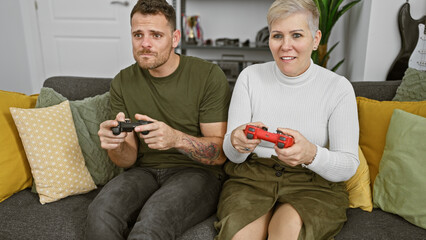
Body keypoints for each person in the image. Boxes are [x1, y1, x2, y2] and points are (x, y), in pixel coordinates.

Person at [85, 0, 231, 239]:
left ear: (175, 38)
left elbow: (219, 155)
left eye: (156, 35)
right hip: (144, 171)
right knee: (100, 212)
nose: (145, 44)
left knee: (153, 220)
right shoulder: (122, 81)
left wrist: (176, 139)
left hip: (197, 173)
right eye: (138, 34)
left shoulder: (207, 76)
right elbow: (127, 159)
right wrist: (116, 144)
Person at [214, 0, 359, 239]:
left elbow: (348, 165)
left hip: (313, 183)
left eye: (297, 35)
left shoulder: (338, 88)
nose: (285, 46)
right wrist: (237, 142)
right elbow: (232, 154)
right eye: (277, 35)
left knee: (286, 233)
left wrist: (311, 153)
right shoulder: (249, 77)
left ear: (315, 39)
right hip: (253, 178)